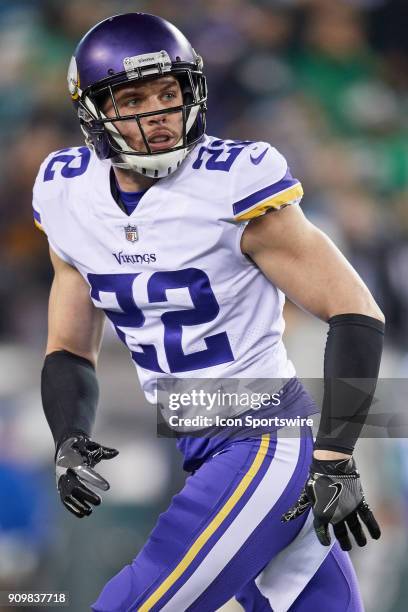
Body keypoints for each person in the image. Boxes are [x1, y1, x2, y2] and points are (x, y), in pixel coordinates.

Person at [34, 13, 384, 612]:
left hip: (268, 440)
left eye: (168, 93)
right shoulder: (67, 193)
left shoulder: (233, 184)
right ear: (93, 112)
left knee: (133, 603)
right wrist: (69, 437)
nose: (159, 114)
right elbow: (67, 347)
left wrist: (335, 456)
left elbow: (356, 313)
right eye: (134, 98)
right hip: (202, 447)